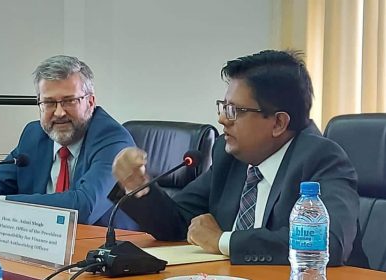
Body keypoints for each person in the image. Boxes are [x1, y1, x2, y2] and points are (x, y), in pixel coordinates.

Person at [111, 50, 359, 265]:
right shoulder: (230, 156)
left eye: (235, 111)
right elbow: (177, 224)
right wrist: (138, 187)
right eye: (223, 106)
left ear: (279, 123)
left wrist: (224, 241)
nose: (222, 119)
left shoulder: (322, 159)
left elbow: (330, 243)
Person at [0, 55, 138, 229]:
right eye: (50, 103)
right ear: (39, 103)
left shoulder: (113, 141)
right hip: (42, 244)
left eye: (69, 101)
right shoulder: (34, 134)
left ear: (90, 102)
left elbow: (84, 207)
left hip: (106, 253)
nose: (59, 113)